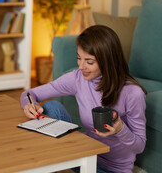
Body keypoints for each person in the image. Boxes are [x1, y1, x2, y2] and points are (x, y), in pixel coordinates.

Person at [20, 25, 147, 173]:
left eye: (89, 62)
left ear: (107, 60)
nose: (81, 66)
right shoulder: (78, 78)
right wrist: (30, 105)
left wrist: (120, 130)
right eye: (79, 58)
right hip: (84, 156)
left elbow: (139, 146)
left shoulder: (132, 93)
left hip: (113, 170)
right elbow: (29, 94)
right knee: (51, 108)